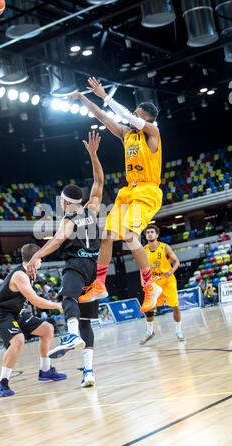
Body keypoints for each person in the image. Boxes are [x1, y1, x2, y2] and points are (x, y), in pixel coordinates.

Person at [68, 77, 162, 313]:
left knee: (130, 234)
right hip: (128, 191)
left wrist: (106, 96)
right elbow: (102, 116)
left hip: (147, 190)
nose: (131, 116)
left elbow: (129, 117)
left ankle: (150, 286)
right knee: (107, 235)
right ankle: (100, 284)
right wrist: (82, 98)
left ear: (146, 118)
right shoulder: (126, 134)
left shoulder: (152, 133)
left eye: (137, 114)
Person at [27, 132, 104, 388]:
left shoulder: (68, 219)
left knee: (67, 299)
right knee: (86, 323)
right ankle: (89, 372)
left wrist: (37, 255)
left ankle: (70, 337)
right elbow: (99, 181)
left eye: (61, 200)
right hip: (94, 269)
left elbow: (59, 241)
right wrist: (93, 155)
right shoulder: (92, 209)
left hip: (77, 266)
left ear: (66, 202)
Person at [0, 243, 66, 398]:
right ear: (34, 258)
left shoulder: (30, 272)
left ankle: (45, 370)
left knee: (47, 329)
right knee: (18, 340)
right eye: (40, 258)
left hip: (16, 313)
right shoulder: (20, 275)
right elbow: (35, 301)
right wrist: (58, 305)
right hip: (0, 313)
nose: (41, 262)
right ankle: (2, 382)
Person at [140, 224, 186, 345]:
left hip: (168, 281)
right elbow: (142, 268)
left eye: (152, 232)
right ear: (145, 235)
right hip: (154, 283)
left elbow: (176, 261)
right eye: (148, 232)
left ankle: (179, 331)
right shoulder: (143, 250)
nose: (149, 234)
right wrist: (142, 281)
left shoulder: (165, 247)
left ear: (157, 235)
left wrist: (171, 271)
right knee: (149, 308)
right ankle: (150, 332)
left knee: (175, 306)